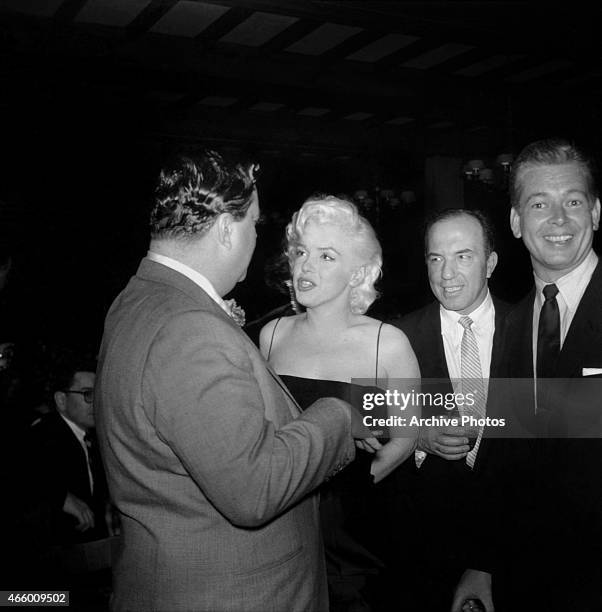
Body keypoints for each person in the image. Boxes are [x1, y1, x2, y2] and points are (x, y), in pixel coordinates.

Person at [95, 152, 375, 612]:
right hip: (234, 594)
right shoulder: (190, 328)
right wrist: (341, 415)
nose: (258, 240)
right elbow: (254, 487)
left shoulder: (135, 301)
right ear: (226, 228)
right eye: (255, 224)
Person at [452, 138, 602, 612]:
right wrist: (482, 563)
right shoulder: (512, 324)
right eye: (540, 204)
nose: (559, 220)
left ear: (595, 213)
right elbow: (504, 450)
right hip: (525, 579)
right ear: (517, 222)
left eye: (573, 201)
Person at [259, 195, 420, 611]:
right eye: (300, 253)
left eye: (326, 256)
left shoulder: (385, 342)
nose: (306, 266)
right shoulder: (272, 335)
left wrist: (349, 494)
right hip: (283, 527)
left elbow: (404, 438)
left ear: (358, 273)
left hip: (359, 539)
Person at [391, 209, 509, 611]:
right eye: (436, 258)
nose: (446, 274)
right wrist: (418, 434)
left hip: (517, 539)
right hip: (427, 543)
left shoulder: (531, 327)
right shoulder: (397, 337)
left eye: (463, 256)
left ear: (490, 263)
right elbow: (362, 418)